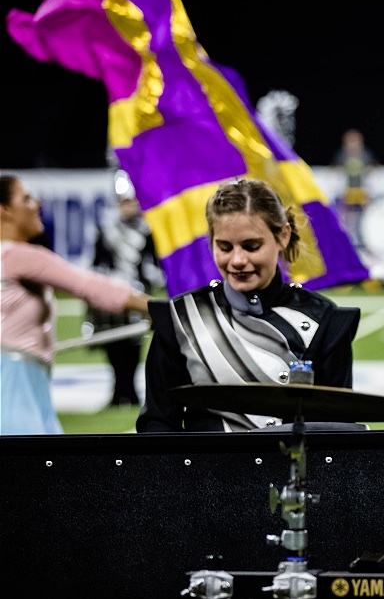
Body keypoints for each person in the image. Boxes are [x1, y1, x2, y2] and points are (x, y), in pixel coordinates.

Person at [137, 178, 360, 432]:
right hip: (204, 460)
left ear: (283, 236)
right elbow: (157, 422)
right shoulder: (181, 317)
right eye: (224, 247)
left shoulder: (323, 320)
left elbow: (337, 428)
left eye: (251, 246)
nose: (237, 260)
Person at [1, 173, 153, 435]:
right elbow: (89, 285)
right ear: (4, 210)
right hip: (15, 392)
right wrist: (160, 308)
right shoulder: (17, 256)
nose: (37, 204)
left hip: (25, 389)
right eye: (26, 199)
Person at [87, 172, 165, 406]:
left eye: (130, 202)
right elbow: (97, 262)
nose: (126, 207)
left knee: (134, 343)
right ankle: (117, 389)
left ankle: (130, 390)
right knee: (113, 343)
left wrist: (149, 280)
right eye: (122, 202)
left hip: (136, 294)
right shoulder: (106, 229)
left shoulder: (146, 230)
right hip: (112, 296)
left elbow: (154, 263)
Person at [332, 128, 378, 249]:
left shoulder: (365, 155)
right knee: (345, 219)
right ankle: (344, 242)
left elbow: (373, 170)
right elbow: (335, 171)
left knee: (364, 218)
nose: (352, 143)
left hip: (361, 191)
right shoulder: (342, 155)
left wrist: (369, 191)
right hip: (347, 191)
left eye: (355, 140)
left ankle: (365, 242)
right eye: (350, 140)